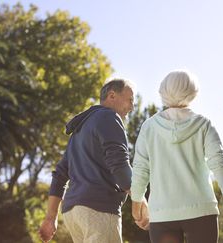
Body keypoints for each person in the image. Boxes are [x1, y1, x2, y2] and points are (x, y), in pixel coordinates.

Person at [130, 70, 223, 243]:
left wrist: (136, 206)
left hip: (163, 215)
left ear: (163, 91)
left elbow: (140, 171)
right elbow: (220, 167)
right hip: (201, 212)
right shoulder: (203, 124)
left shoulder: (149, 127)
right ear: (192, 92)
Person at [39, 78, 146, 243]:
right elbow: (119, 163)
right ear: (112, 95)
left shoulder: (79, 131)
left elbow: (60, 174)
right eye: (130, 100)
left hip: (73, 213)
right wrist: (139, 197)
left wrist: (50, 217)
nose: (132, 107)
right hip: (98, 209)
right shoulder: (109, 117)